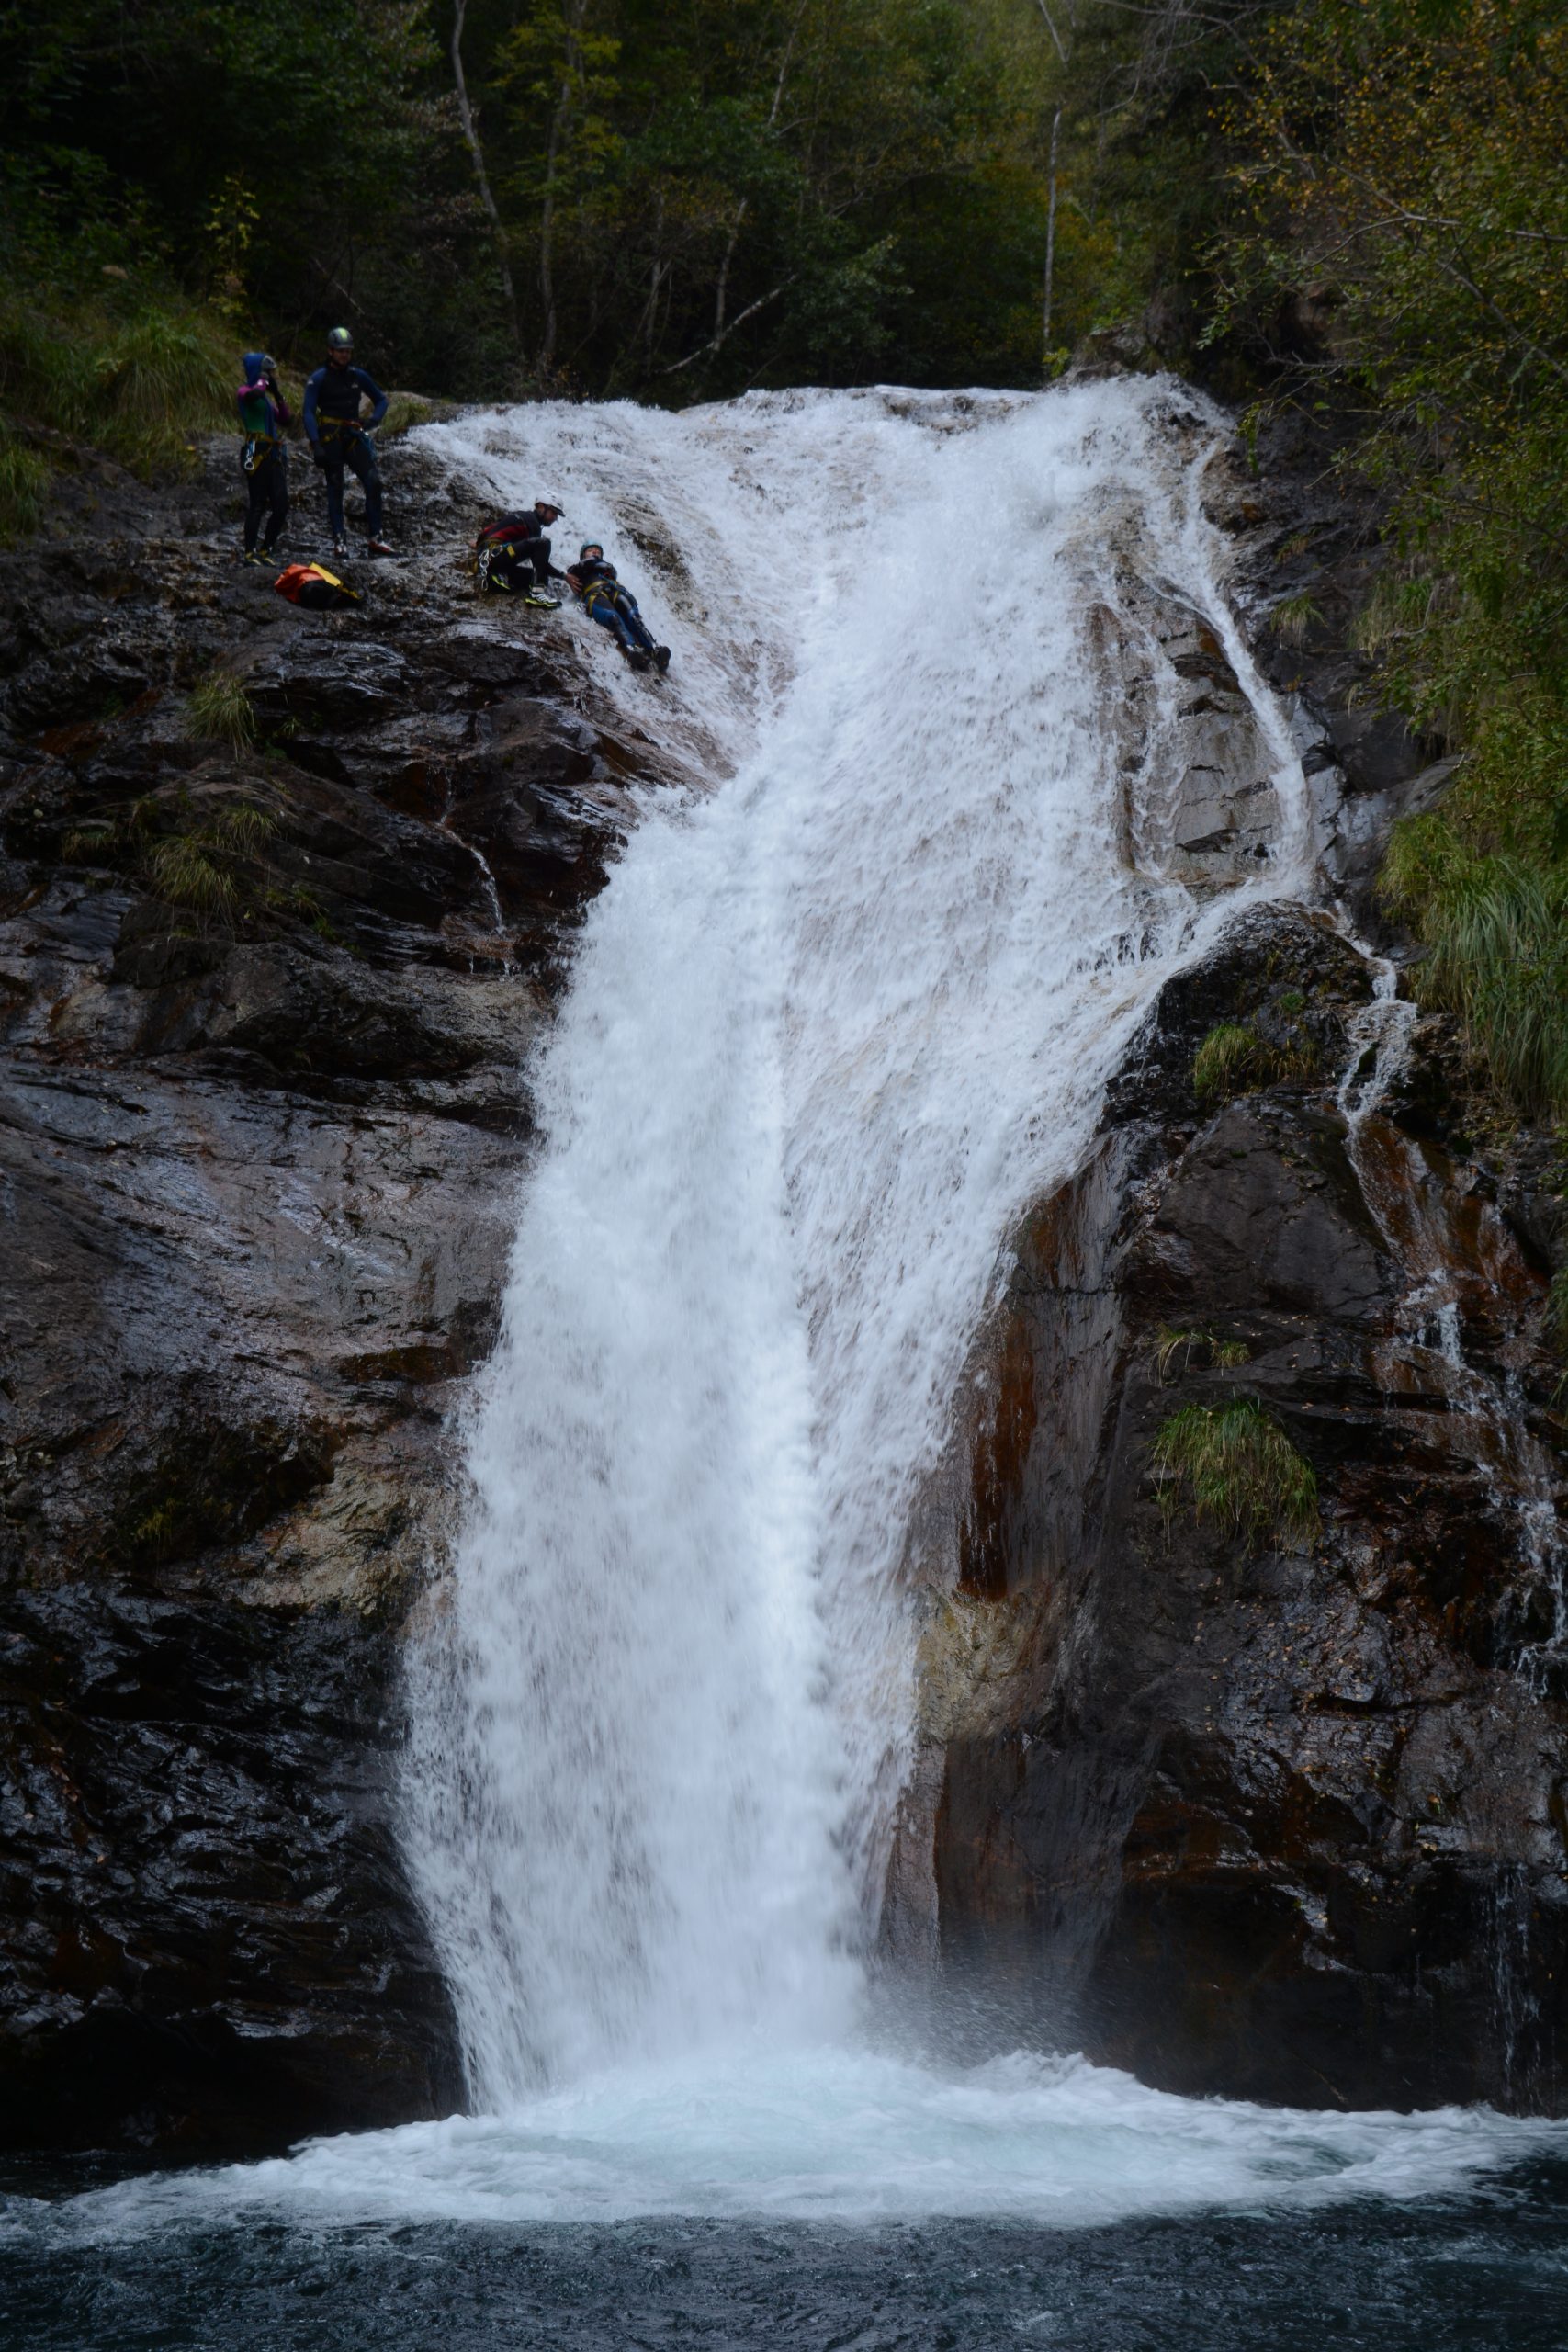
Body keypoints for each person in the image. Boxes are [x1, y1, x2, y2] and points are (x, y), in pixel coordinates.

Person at [302, 327, 393, 559]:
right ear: (330, 351)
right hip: (330, 436)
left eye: (348, 351)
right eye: (340, 351)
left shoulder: (357, 376)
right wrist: (316, 443)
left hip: (353, 435)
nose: (344, 355)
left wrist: (373, 420)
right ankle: (339, 539)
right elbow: (309, 412)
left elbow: (381, 400)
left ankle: (376, 537)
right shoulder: (319, 378)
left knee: (373, 482)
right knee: (335, 487)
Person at [563, 542, 671, 673]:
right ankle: (631, 649)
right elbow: (572, 573)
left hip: (616, 591)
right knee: (613, 618)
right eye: (590, 550)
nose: (595, 552)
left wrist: (597, 563)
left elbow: (612, 571)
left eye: (597, 550)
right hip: (595, 594)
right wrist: (591, 562)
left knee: (634, 617)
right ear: (582, 555)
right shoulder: (577, 569)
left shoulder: (608, 569)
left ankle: (655, 649)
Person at [236, 351, 291, 564]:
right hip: (254, 450)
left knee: (281, 504)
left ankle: (267, 548)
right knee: (257, 503)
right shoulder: (245, 391)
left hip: (273, 453)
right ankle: (250, 552)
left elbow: (285, 418)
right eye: (267, 372)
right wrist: (261, 381)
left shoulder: (267, 402)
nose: (270, 377)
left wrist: (277, 395)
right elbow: (253, 396)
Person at [473, 501, 565, 605]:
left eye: (557, 515)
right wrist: (564, 576)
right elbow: (541, 564)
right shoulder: (533, 523)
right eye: (553, 513)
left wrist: (479, 546)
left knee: (532, 576)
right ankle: (537, 594)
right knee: (544, 543)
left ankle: (499, 578)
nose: (555, 518)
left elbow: (488, 530)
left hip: (490, 560)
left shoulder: (521, 516)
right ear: (540, 507)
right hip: (494, 559)